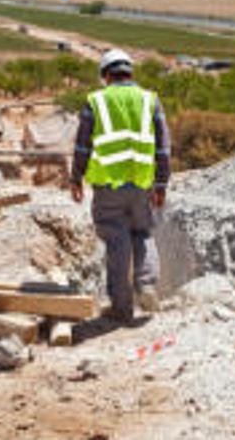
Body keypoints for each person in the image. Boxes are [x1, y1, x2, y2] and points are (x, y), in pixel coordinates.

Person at [70, 48, 171, 323]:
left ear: (105, 75)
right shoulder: (150, 100)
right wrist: (161, 184)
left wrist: (75, 178)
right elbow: (163, 148)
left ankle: (121, 307)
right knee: (143, 232)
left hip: (108, 185)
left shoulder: (96, 102)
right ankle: (147, 283)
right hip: (142, 183)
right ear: (130, 73)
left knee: (116, 240)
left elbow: (83, 145)